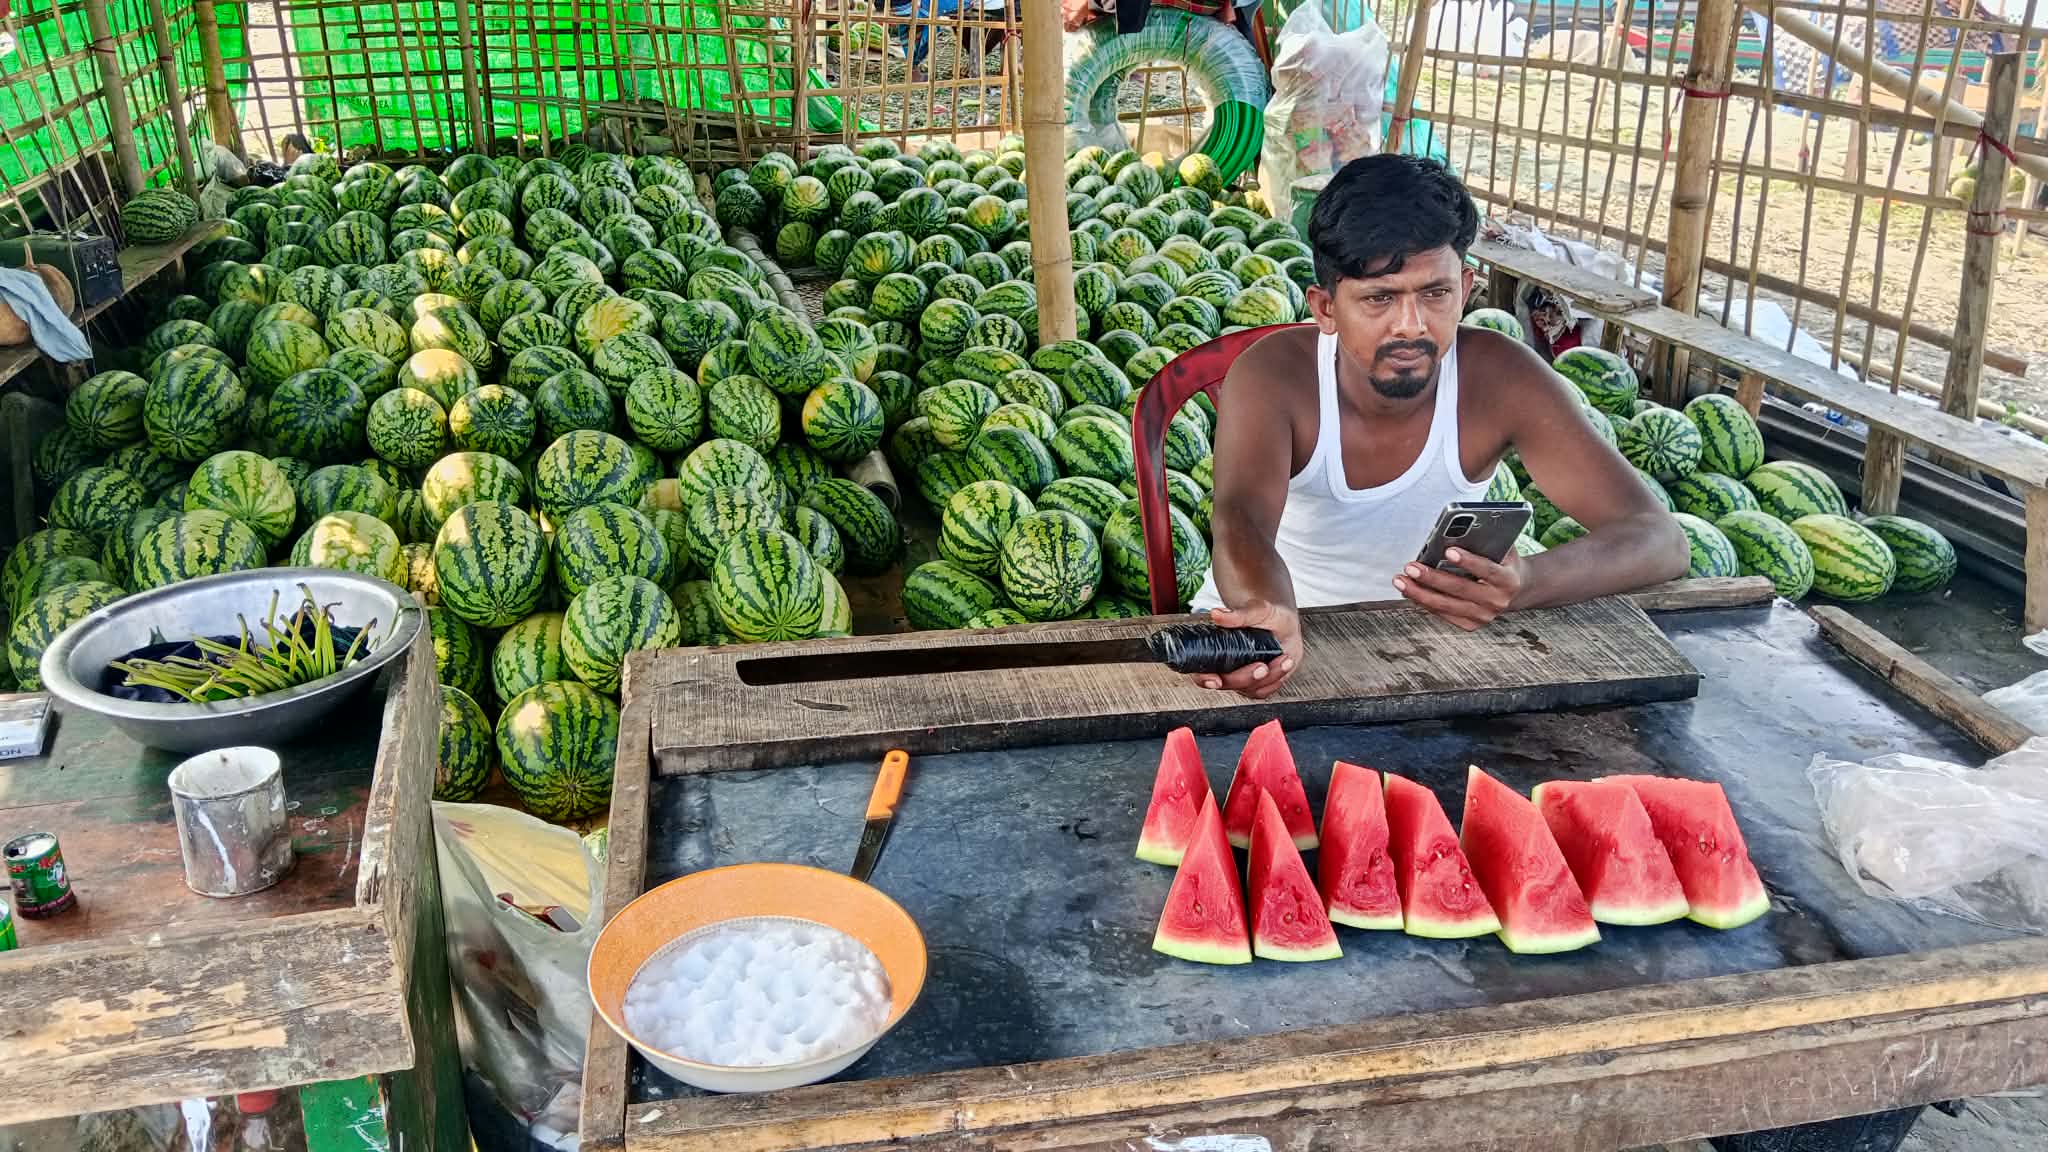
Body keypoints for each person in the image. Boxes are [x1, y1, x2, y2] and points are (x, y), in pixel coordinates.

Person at [1190, 153, 1689, 700]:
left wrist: (1526, 583)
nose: (1411, 325)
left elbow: (1659, 540)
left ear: (1467, 286)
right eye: (1379, 298)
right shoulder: (1274, 375)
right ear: (1326, 307)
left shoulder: (1500, 378)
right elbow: (1241, 522)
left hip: (1423, 650)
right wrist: (1270, 614)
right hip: (1279, 643)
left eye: (1435, 293)